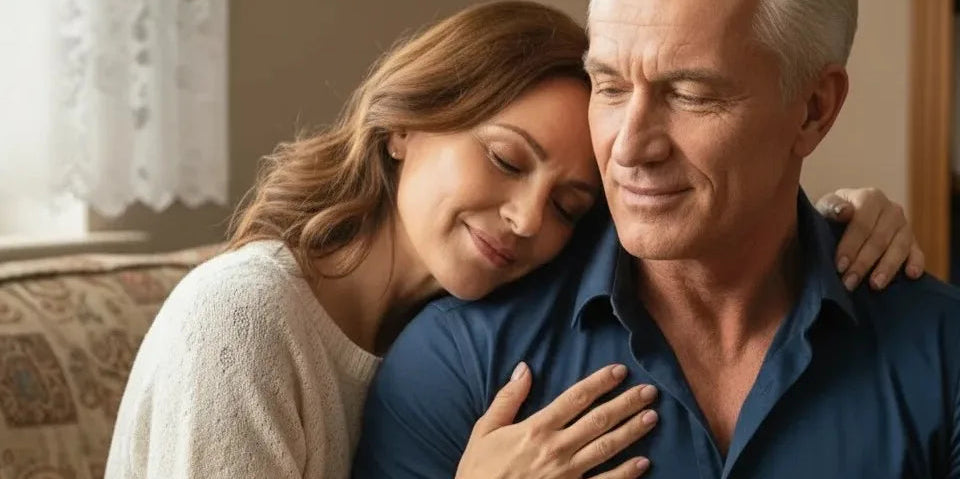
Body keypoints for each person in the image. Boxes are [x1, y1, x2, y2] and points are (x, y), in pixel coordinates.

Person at [105, 2, 924, 478]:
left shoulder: (476, 324)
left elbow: (705, 215)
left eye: (570, 204)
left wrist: (834, 225)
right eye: (504, 159)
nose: (530, 220)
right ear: (402, 125)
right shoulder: (242, 324)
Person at [352, 0, 960, 478]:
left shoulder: (942, 354)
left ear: (813, 110)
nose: (629, 147)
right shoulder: (457, 361)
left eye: (690, 95)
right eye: (610, 87)